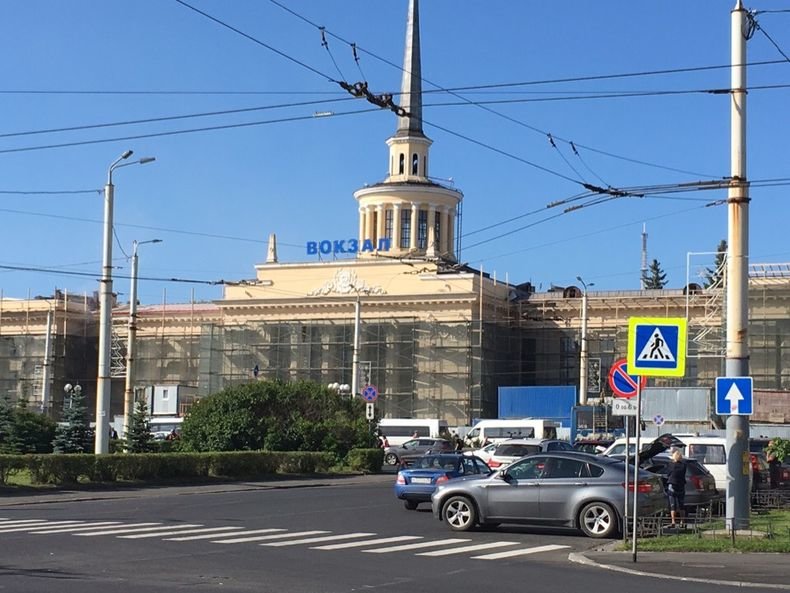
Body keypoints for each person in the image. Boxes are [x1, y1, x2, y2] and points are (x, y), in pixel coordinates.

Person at [665, 448, 688, 528]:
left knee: (673, 505)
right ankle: (682, 521)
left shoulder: (671, 465)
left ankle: (673, 522)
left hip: (672, 485)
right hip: (681, 486)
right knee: (681, 505)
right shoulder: (683, 465)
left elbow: (668, 473)